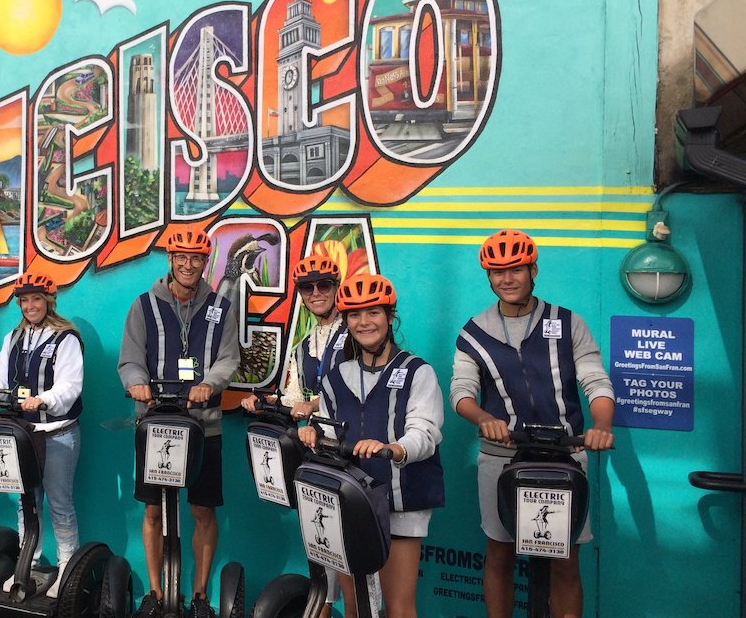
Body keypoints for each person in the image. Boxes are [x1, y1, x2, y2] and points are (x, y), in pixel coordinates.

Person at [450, 230, 614, 618]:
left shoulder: (567, 323)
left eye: (516, 269)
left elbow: (595, 380)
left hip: (565, 455)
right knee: (500, 552)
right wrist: (484, 418)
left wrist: (601, 424)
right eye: (497, 272)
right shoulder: (474, 333)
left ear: (533, 270)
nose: (507, 279)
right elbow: (461, 392)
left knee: (565, 559)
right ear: (488, 277)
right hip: (501, 456)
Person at [300, 272, 444, 618]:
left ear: (390, 316)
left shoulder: (417, 371)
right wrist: (315, 436)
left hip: (402, 500)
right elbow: (332, 435)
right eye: (354, 314)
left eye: (373, 312)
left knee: (397, 607)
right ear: (346, 320)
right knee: (355, 606)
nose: (364, 322)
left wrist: (394, 449)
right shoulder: (335, 378)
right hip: (352, 501)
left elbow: (426, 432)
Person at [119, 229, 241, 618]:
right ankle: (154, 594)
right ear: (170, 259)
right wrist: (136, 382)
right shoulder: (143, 306)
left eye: (197, 258)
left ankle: (201, 595)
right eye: (181, 257)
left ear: (205, 262)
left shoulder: (221, 307)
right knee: (153, 511)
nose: (189, 265)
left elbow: (228, 357)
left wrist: (210, 383)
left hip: (203, 425)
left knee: (202, 510)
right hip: (156, 424)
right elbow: (131, 356)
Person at [0, 272, 83, 599]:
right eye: (25, 300)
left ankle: (66, 568)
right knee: (26, 502)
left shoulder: (67, 339)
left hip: (55, 433)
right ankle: (28, 563)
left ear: (48, 301)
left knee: (60, 504)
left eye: (37, 299)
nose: (30, 305)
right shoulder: (13, 338)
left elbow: (70, 386)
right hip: (22, 434)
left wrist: (44, 399)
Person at [242, 254, 347, 420]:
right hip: (315, 440)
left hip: (354, 439)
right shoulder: (302, 348)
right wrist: (266, 402)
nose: (316, 293)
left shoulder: (355, 334)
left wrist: (313, 405)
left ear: (336, 288)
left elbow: (362, 390)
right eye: (307, 288)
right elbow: (296, 399)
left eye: (324, 286)